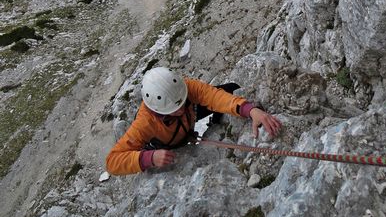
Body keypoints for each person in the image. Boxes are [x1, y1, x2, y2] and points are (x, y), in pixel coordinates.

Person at [106, 67, 282, 175]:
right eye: (175, 108)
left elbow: (213, 96)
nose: (181, 108)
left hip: (187, 122)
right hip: (166, 146)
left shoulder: (185, 88)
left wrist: (250, 110)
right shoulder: (145, 123)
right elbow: (113, 161)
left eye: (182, 102)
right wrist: (148, 158)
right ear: (158, 110)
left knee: (230, 89)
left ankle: (215, 121)